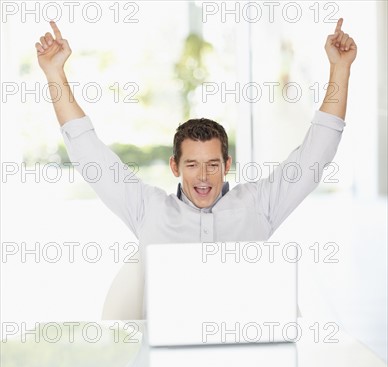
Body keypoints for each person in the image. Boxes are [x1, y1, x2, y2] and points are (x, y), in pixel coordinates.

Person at [35, 21, 357, 316]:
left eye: (212, 165)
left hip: (247, 360)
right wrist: (54, 74)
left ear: (227, 165)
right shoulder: (149, 211)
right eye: (192, 164)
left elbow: (315, 155)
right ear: (175, 166)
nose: (203, 177)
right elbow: (91, 156)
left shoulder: (258, 204)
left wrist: (339, 69)